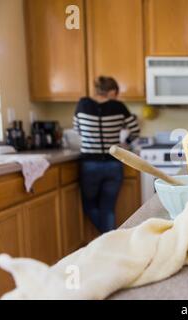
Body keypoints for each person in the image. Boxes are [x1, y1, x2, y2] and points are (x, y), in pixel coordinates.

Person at [73, 76, 140, 233]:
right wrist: (126, 143)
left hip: (89, 164)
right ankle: (111, 237)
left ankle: (110, 237)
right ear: (112, 92)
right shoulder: (118, 107)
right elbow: (135, 130)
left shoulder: (82, 104)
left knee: (89, 206)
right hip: (113, 163)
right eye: (116, 93)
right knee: (108, 208)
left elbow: (77, 130)